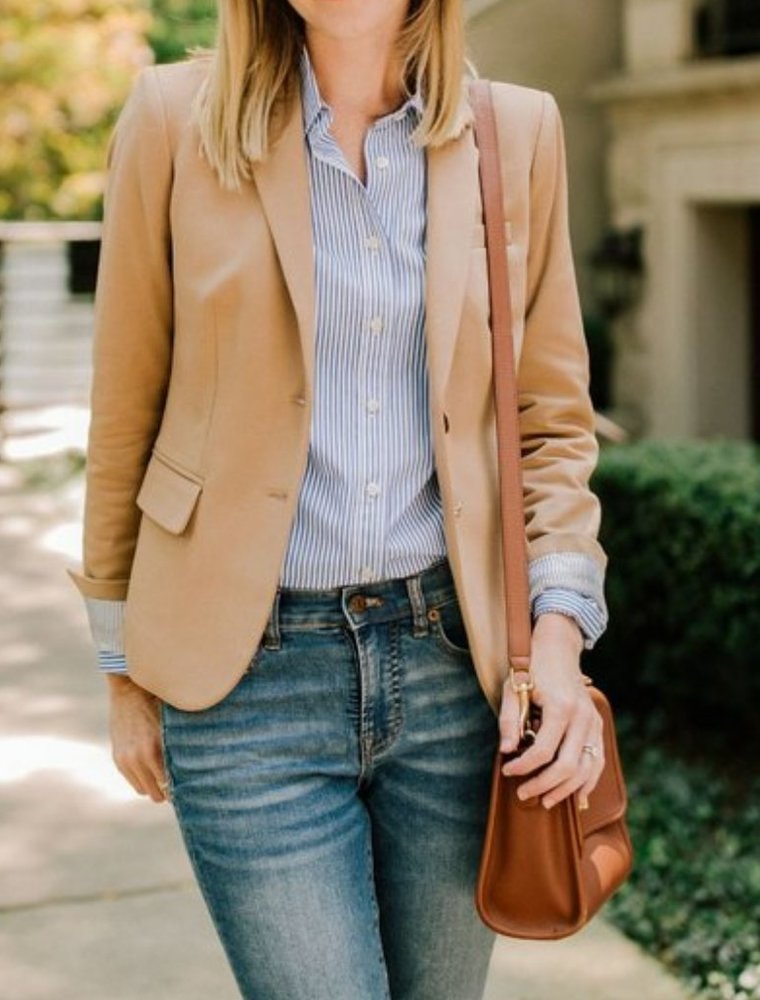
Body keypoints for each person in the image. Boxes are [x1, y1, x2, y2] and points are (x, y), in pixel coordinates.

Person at [68, 0, 610, 996]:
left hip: (457, 677)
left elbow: (550, 424)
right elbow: (125, 406)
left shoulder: (518, 131)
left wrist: (561, 641)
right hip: (246, 684)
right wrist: (120, 667)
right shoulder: (171, 120)